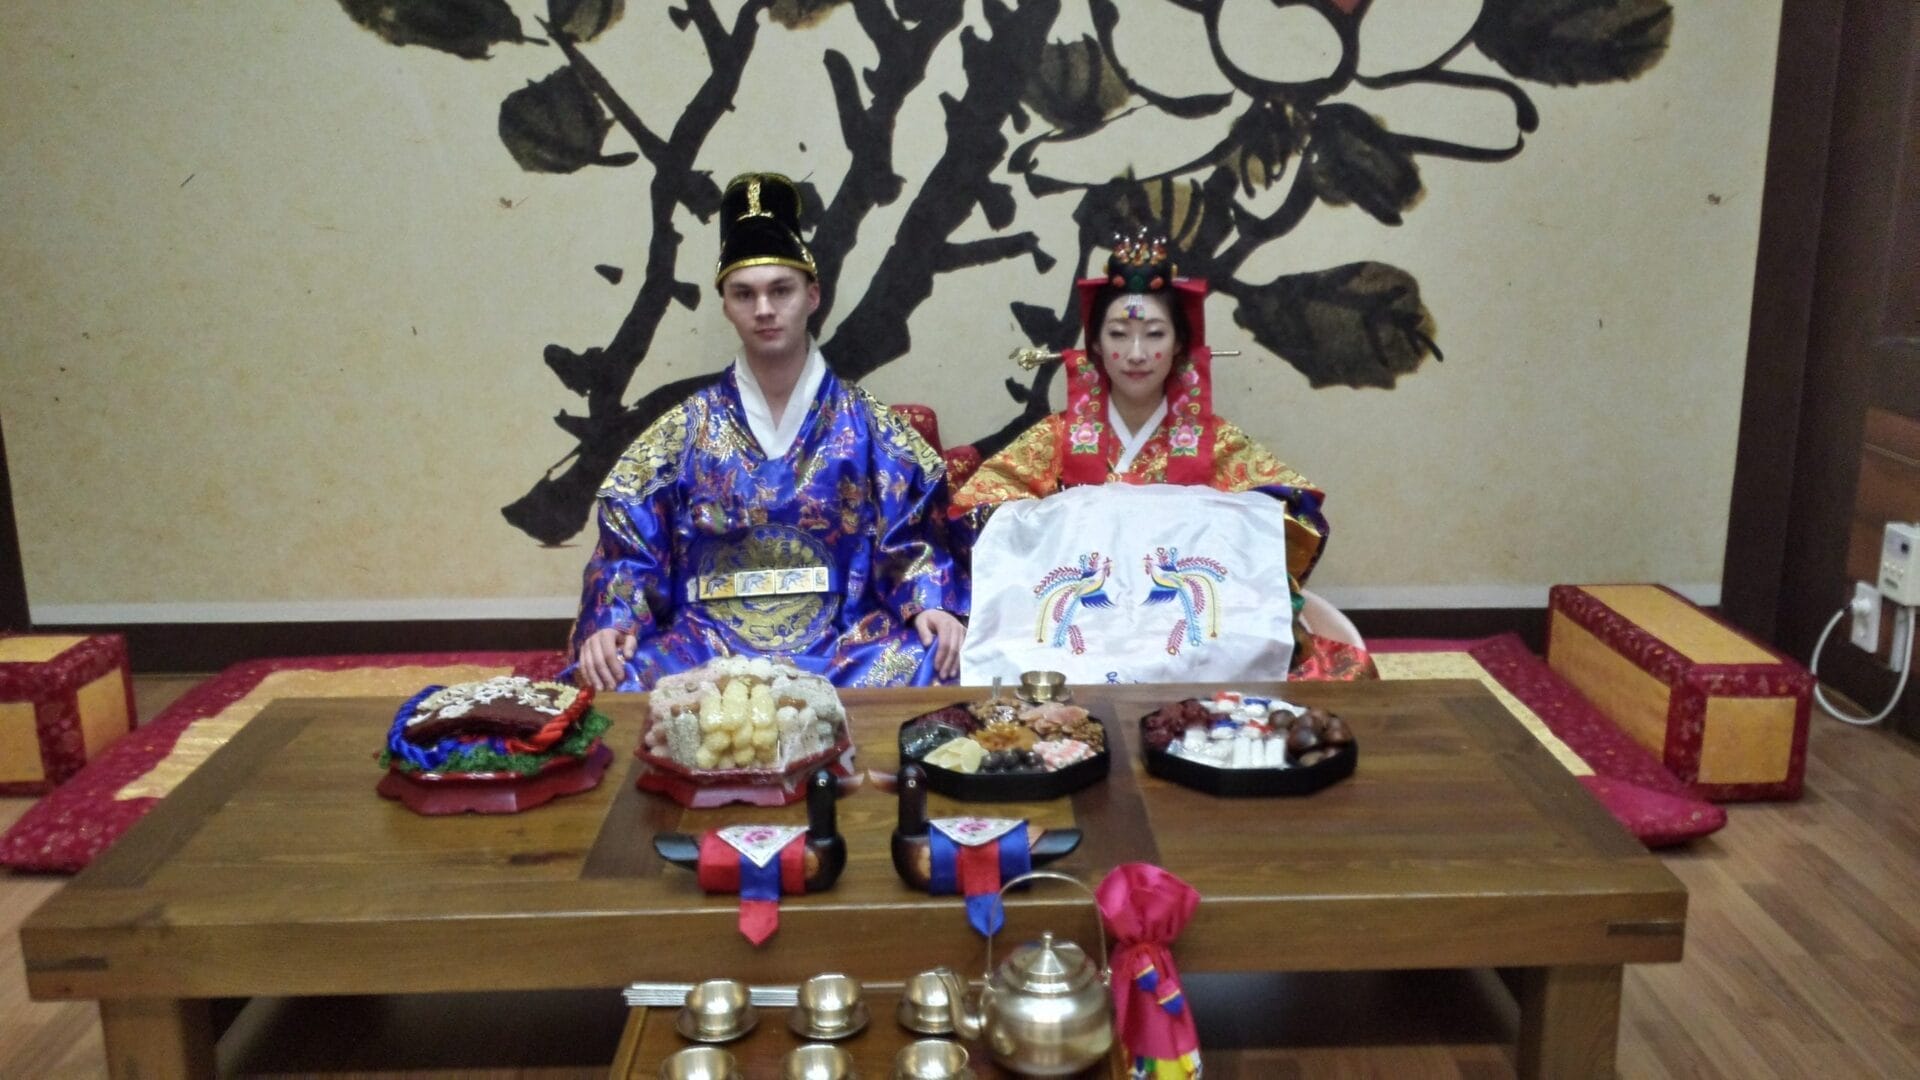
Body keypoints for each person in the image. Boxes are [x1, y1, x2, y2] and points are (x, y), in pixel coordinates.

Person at [567, 172, 967, 691]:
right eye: (744, 294)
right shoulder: (684, 430)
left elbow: (912, 535)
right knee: (616, 675)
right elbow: (632, 539)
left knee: (934, 659)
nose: (763, 309)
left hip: (844, 640)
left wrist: (928, 603)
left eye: (781, 290)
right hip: (705, 645)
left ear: (813, 295)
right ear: (725, 304)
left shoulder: (870, 426)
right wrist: (616, 616)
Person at [951, 234, 1372, 679]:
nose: (1136, 354)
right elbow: (978, 508)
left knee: (1344, 674)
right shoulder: (1058, 438)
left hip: (1190, 631)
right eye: (1118, 334)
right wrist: (1075, 515)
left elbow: (1294, 514)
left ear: (1178, 345)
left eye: (1154, 335)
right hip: (1084, 630)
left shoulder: (1216, 442)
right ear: (1093, 345)